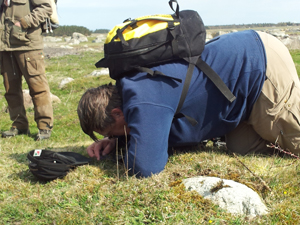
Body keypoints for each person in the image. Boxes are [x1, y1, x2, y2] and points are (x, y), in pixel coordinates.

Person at [77, 30, 300, 177]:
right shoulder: (132, 88)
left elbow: (145, 167)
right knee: (242, 148)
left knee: (296, 143)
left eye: (110, 132)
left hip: (259, 67)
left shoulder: (143, 97)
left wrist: (127, 146)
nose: (114, 136)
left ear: (116, 113)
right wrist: (116, 142)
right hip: (239, 98)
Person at [0, 0, 53, 140]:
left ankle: (45, 126)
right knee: (11, 90)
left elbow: (46, 7)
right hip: (5, 46)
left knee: (38, 88)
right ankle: (19, 125)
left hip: (28, 45)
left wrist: (24, 23)